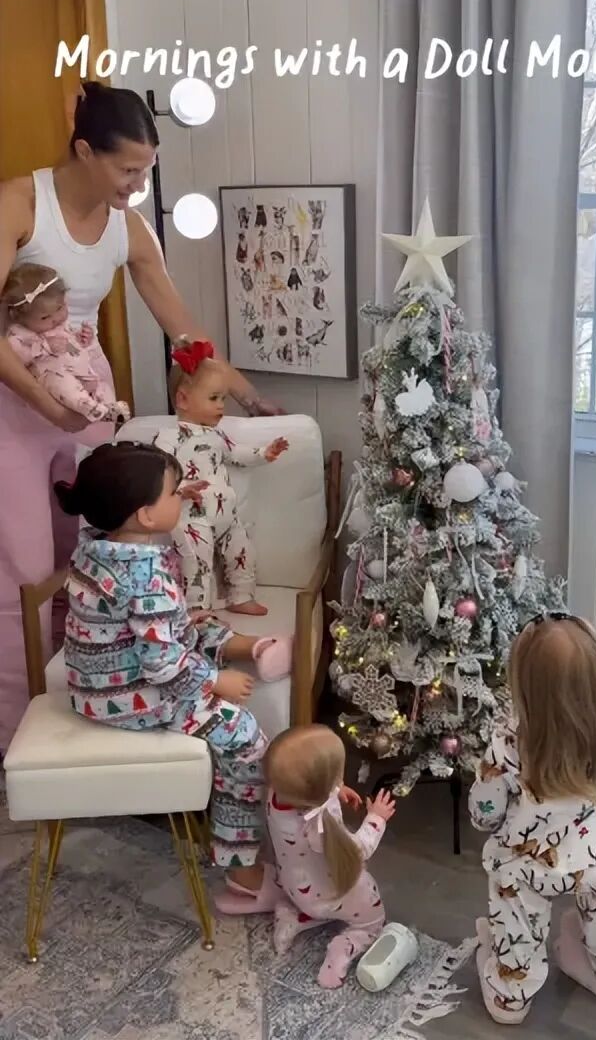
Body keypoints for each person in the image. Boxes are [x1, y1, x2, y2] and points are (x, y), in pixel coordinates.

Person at [0, 81, 280, 752]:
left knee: (95, 557)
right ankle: (18, 736)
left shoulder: (127, 227)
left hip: (87, 399)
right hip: (19, 400)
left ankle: (96, 700)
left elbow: (184, 332)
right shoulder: (20, 204)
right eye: (128, 169)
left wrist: (246, 395)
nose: (138, 184)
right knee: (27, 570)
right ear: (84, 151)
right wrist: (44, 403)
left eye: (146, 170)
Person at [55, 440, 280, 908]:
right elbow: (161, 665)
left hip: (92, 683)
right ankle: (243, 869)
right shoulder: (146, 577)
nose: (182, 498)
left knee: (195, 624)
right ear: (145, 515)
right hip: (131, 695)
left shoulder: (95, 546)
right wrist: (215, 683)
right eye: (174, 492)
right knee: (246, 739)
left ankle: (254, 647)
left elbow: (153, 629)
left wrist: (180, 627)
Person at [469, 613, 596, 1025]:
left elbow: (484, 812)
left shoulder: (508, 742)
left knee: (515, 917)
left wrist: (486, 817)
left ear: (523, 687)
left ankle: (510, 997)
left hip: (526, 866)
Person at [153, 336, 289, 619]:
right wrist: (181, 488)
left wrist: (265, 453)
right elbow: (157, 473)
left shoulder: (217, 436)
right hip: (192, 517)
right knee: (197, 561)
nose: (221, 406)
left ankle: (241, 596)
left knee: (243, 552)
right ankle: (197, 609)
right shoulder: (168, 438)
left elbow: (237, 453)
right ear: (183, 399)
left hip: (226, 516)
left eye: (223, 399)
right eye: (214, 398)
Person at [265, 724, 396, 988]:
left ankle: (295, 917)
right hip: (331, 896)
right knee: (373, 922)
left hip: (294, 887)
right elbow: (358, 851)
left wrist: (336, 789)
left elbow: (308, 790)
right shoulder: (320, 823)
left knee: (310, 898)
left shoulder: (277, 795)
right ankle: (342, 949)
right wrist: (376, 818)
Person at [3, 262, 129, 423]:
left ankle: (107, 409)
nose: (56, 318)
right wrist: (46, 347)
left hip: (78, 369)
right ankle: (94, 410)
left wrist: (82, 338)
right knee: (64, 385)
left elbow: (69, 343)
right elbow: (17, 357)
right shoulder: (19, 333)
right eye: (45, 317)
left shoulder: (59, 324)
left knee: (100, 385)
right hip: (51, 375)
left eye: (60, 308)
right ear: (20, 317)